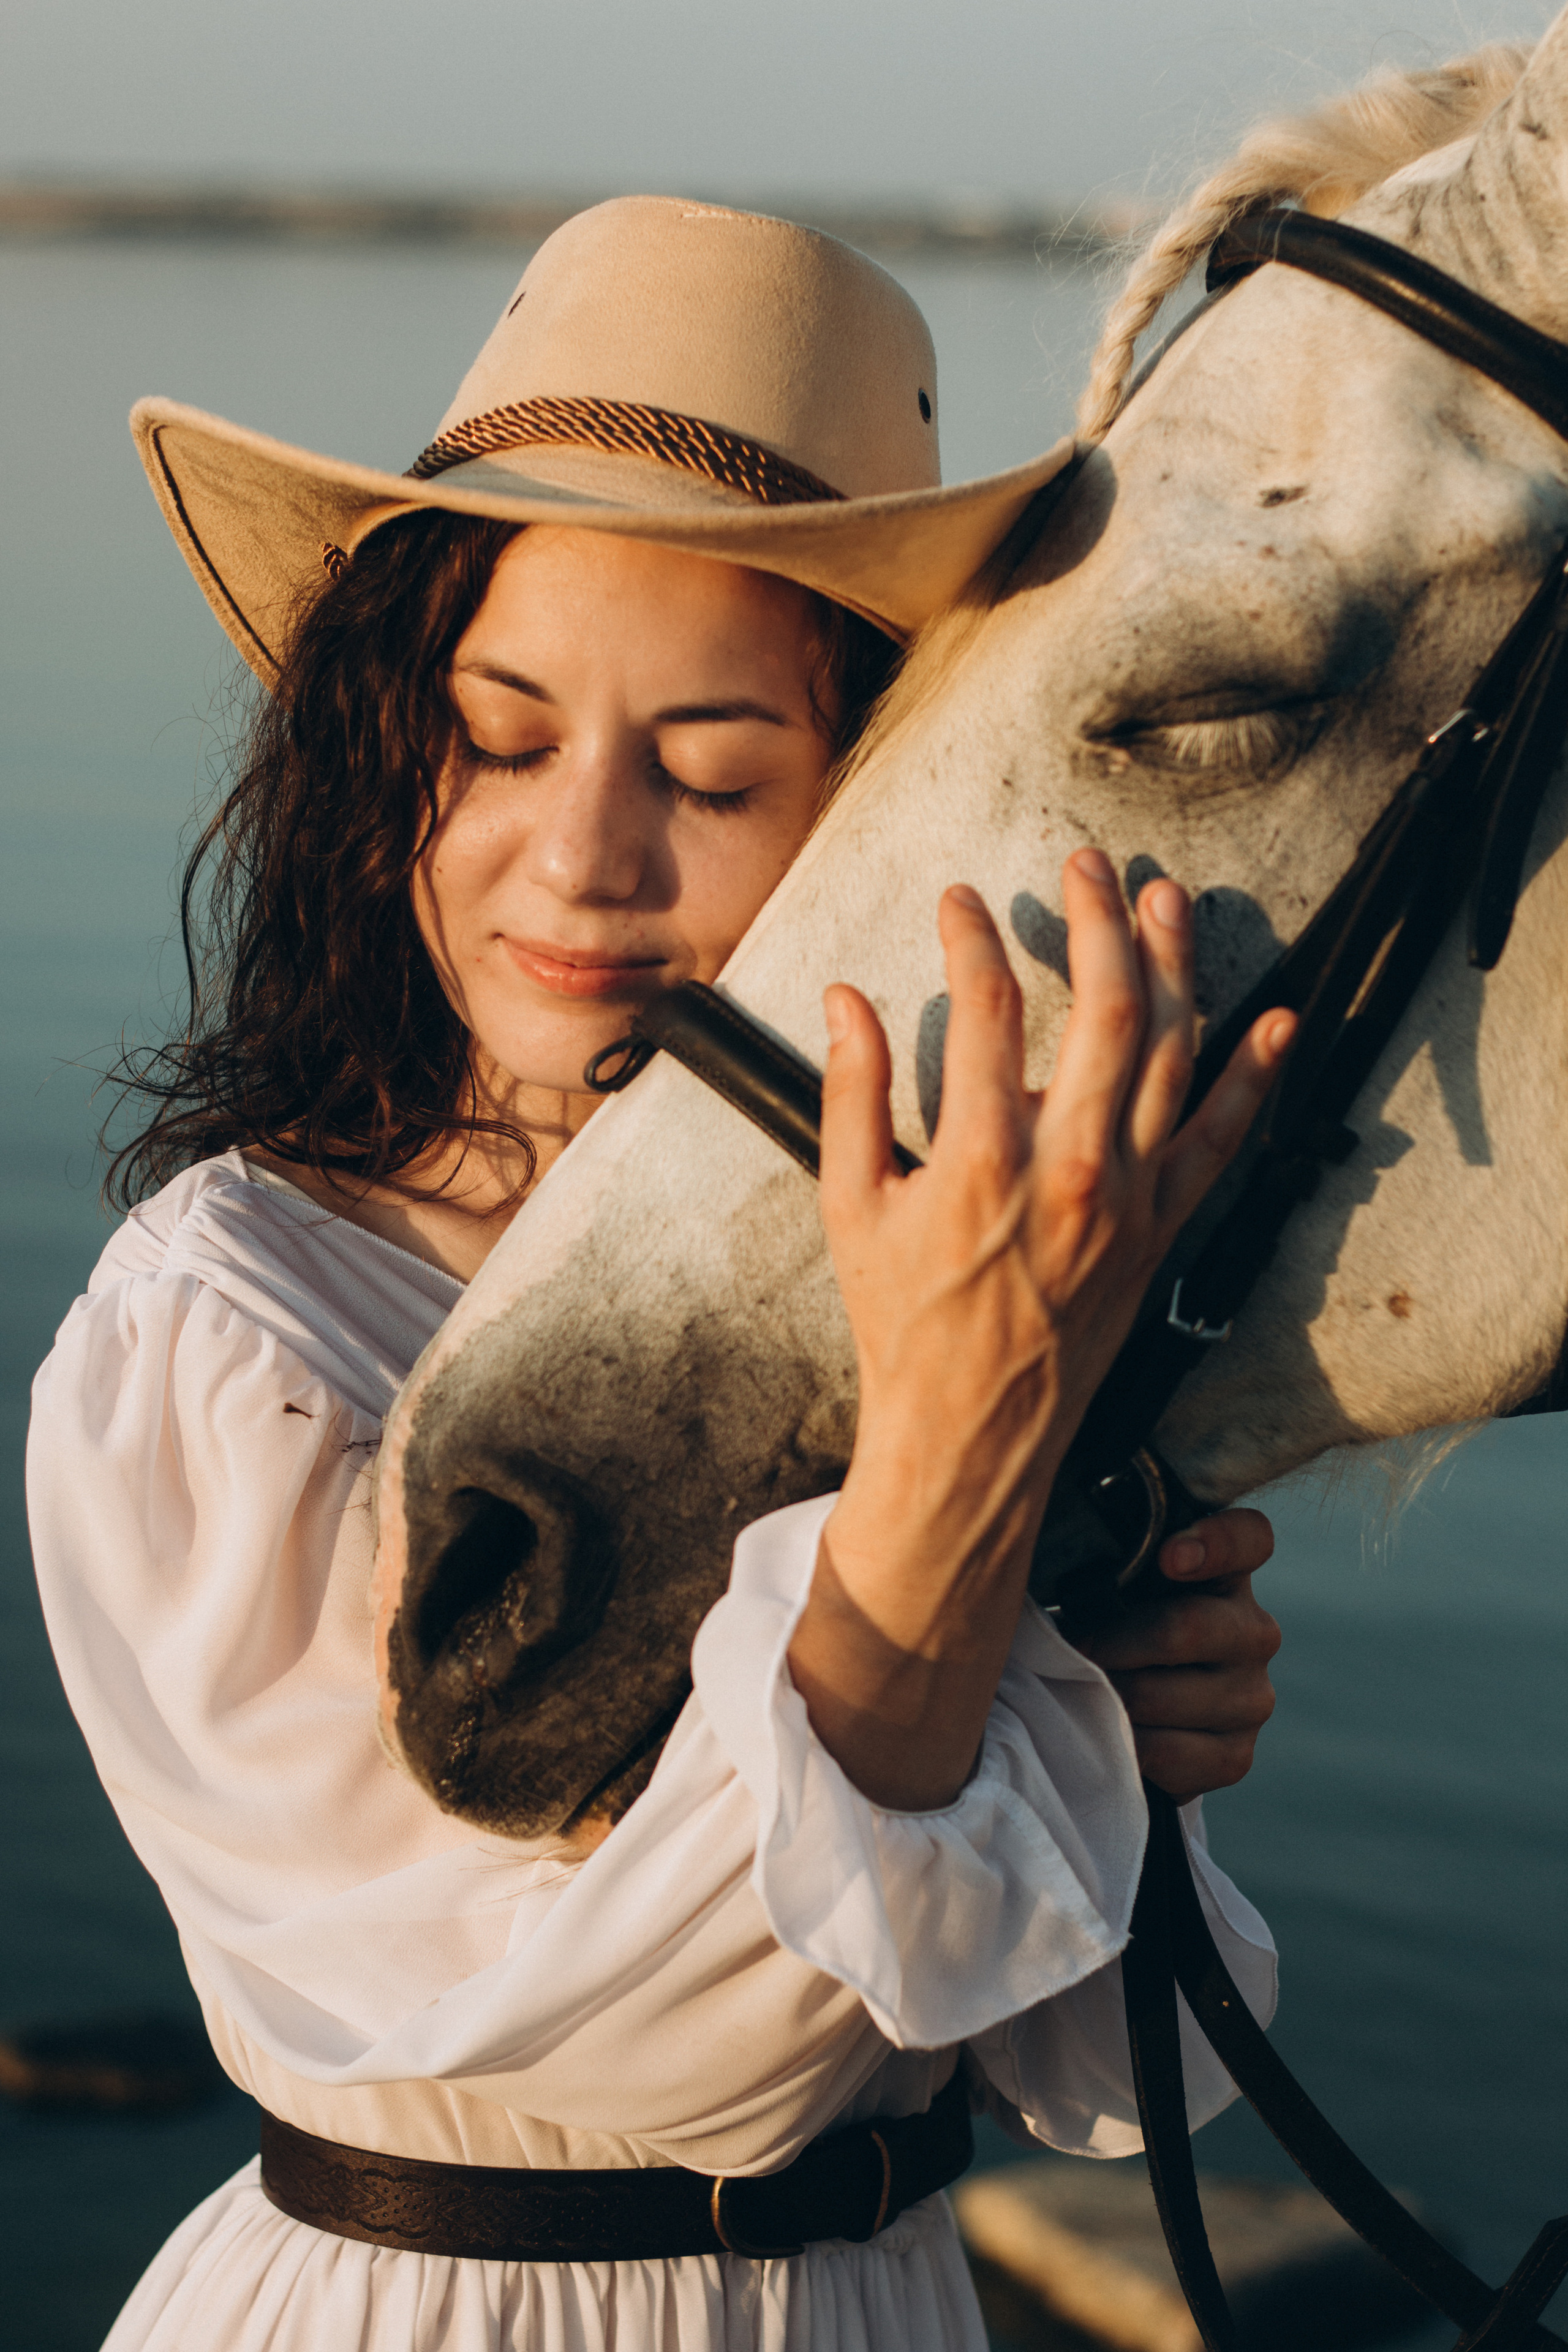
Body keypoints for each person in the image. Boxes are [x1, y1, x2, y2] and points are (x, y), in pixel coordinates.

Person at [28, 198, 1287, 2352]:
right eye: (500, 735)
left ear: (883, 809)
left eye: (711, 771)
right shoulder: (226, 1321)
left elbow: (1096, 2070)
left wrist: (1119, 1736)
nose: (586, 853)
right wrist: (959, 1486)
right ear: (382, 752)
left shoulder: (921, 1274)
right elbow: (655, 2054)